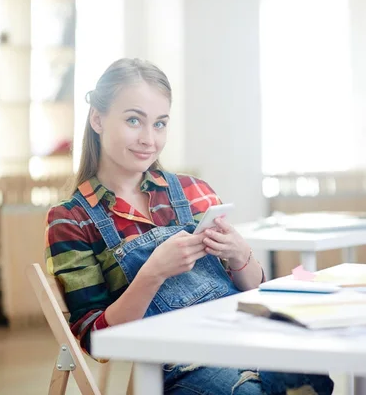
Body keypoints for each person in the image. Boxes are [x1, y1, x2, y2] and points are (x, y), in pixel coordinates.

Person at [44, 58, 333, 395]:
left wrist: (241, 256)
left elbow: (253, 290)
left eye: (160, 123)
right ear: (97, 119)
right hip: (178, 366)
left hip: (245, 338)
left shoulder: (195, 192)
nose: (149, 139)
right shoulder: (71, 220)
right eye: (134, 120)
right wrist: (153, 273)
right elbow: (96, 340)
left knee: (313, 369)